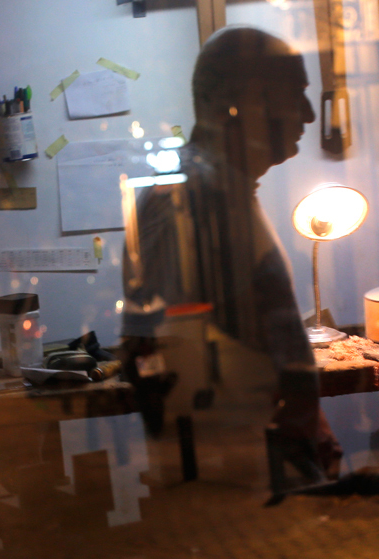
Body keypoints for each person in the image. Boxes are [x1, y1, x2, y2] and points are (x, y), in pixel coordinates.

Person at [120, 26, 340, 478]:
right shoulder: (188, 201)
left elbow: (247, 339)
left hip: (258, 471)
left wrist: (306, 417)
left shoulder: (219, 192)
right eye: (295, 94)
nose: (307, 115)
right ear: (238, 103)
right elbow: (179, 374)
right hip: (239, 485)